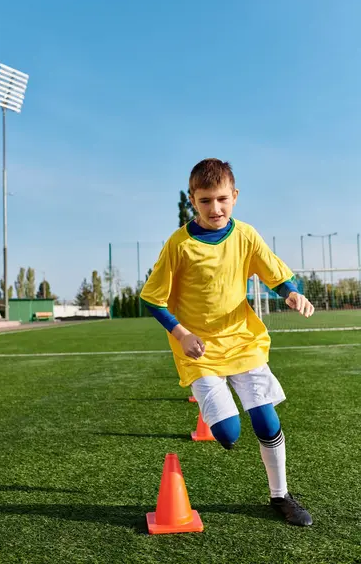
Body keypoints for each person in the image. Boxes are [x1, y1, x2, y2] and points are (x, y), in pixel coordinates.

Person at [140, 158, 315, 526]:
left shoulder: (246, 235)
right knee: (228, 434)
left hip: (243, 341)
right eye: (205, 201)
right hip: (199, 350)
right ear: (193, 199)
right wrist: (182, 333)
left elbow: (277, 274)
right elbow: (152, 298)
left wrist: (291, 294)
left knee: (267, 422)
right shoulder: (179, 244)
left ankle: (280, 496)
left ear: (234, 196)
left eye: (222, 199)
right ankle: (217, 407)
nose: (215, 208)